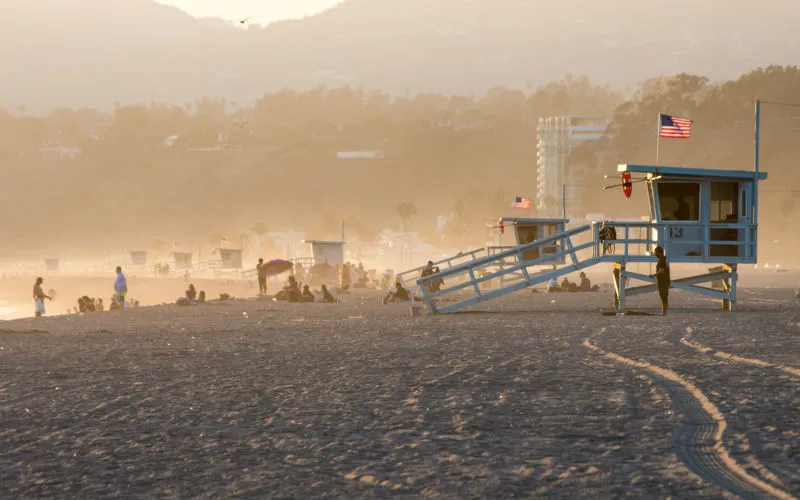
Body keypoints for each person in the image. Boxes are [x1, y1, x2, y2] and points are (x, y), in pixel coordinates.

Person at [650, 246, 671, 315]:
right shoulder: (664, 259)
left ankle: (664, 312)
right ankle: (664, 312)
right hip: (665, 280)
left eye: (656, 253)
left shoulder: (662, 259)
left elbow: (661, 271)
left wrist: (654, 275)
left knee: (663, 296)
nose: (655, 255)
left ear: (659, 253)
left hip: (662, 281)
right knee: (664, 297)